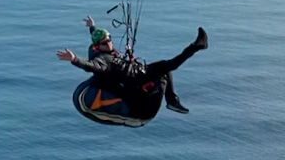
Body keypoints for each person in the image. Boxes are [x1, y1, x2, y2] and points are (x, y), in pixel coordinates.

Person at [57, 23, 208, 115]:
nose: (109, 43)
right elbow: (91, 67)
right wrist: (75, 59)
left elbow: (98, 37)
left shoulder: (104, 48)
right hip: (134, 79)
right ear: (98, 46)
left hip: (137, 70)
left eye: (110, 39)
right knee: (168, 66)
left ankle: (172, 101)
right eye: (105, 42)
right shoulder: (101, 59)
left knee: (164, 66)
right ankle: (197, 46)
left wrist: (92, 27)